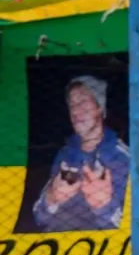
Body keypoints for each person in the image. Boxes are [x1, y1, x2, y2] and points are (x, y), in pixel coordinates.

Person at [32, 75, 130, 233]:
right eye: (71, 105)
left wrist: (103, 205)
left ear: (100, 107)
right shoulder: (65, 154)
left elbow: (136, 226)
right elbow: (38, 216)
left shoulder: (123, 158)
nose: (76, 111)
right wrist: (52, 198)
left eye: (83, 101)